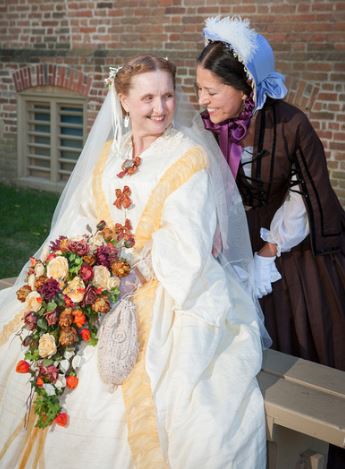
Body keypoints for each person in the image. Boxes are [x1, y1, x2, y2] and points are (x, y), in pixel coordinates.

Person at [0, 55, 266, 468]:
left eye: (167, 96)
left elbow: (187, 242)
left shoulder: (188, 158)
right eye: (147, 98)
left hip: (165, 283)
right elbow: (82, 217)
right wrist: (75, 264)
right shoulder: (109, 153)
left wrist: (126, 275)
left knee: (126, 387)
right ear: (123, 100)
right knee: (23, 342)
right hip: (98, 273)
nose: (160, 108)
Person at [196, 17, 345, 469]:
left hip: (286, 255)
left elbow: (305, 193)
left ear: (245, 87)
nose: (201, 101)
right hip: (229, 244)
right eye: (199, 89)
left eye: (211, 91)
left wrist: (268, 251)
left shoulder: (290, 123)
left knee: (296, 349)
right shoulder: (207, 126)